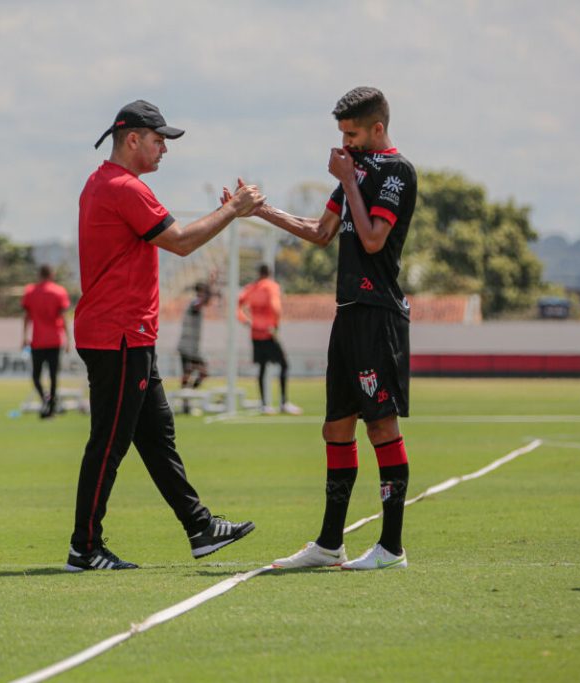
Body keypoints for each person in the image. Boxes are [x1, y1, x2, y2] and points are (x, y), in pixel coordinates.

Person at [66, 100, 263, 571]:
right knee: (109, 443)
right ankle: (84, 547)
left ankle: (199, 527)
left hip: (126, 335)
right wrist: (234, 210)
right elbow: (180, 242)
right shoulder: (124, 188)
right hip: (120, 335)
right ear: (132, 139)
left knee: (157, 437)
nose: (163, 151)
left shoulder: (102, 182)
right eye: (159, 141)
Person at [243, 87, 418, 570]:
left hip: (378, 313)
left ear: (377, 128)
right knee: (335, 427)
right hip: (348, 312)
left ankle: (391, 548)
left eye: (353, 133)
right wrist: (261, 211)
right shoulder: (355, 175)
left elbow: (372, 237)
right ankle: (328, 544)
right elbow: (322, 233)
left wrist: (349, 179)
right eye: (342, 134)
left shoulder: (396, 172)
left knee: (381, 425)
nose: (346, 143)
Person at [236, 264, 302, 415]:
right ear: (270, 273)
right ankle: (283, 402)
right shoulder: (271, 286)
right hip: (268, 332)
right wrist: (276, 324)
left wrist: (245, 320)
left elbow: (238, 306)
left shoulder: (251, 288)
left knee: (262, 367)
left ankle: (264, 404)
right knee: (284, 364)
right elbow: (275, 307)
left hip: (255, 333)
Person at [21, 264, 71, 418]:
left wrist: (24, 336)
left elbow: (27, 317)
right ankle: (51, 405)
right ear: (51, 274)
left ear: (39, 275)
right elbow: (63, 317)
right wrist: (68, 339)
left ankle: (46, 400)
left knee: (36, 376)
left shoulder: (30, 291)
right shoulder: (59, 291)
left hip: (37, 340)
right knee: (53, 376)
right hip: (55, 340)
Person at [176, 279, 214, 413]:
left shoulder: (198, 303)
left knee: (201, 373)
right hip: (187, 347)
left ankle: (187, 400)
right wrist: (211, 285)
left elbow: (206, 302)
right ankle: (185, 404)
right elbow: (201, 303)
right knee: (188, 375)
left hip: (193, 349)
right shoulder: (194, 303)